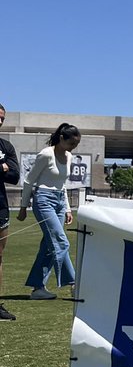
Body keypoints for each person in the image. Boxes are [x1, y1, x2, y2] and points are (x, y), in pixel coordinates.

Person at [18, 122, 81, 299]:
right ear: (62, 138)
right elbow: (29, 181)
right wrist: (23, 207)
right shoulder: (46, 154)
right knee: (61, 242)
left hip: (60, 201)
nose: (73, 147)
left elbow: (63, 184)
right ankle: (74, 283)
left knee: (49, 245)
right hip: (43, 200)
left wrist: (67, 208)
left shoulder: (68, 156)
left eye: (76, 145)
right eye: (71, 144)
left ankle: (38, 288)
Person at [0, 104, 20, 320]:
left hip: (0, 207)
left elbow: (14, 175)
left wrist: (6, 167)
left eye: (2, 118)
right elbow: (6, 169)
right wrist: (1, 167)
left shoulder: (6, 146)